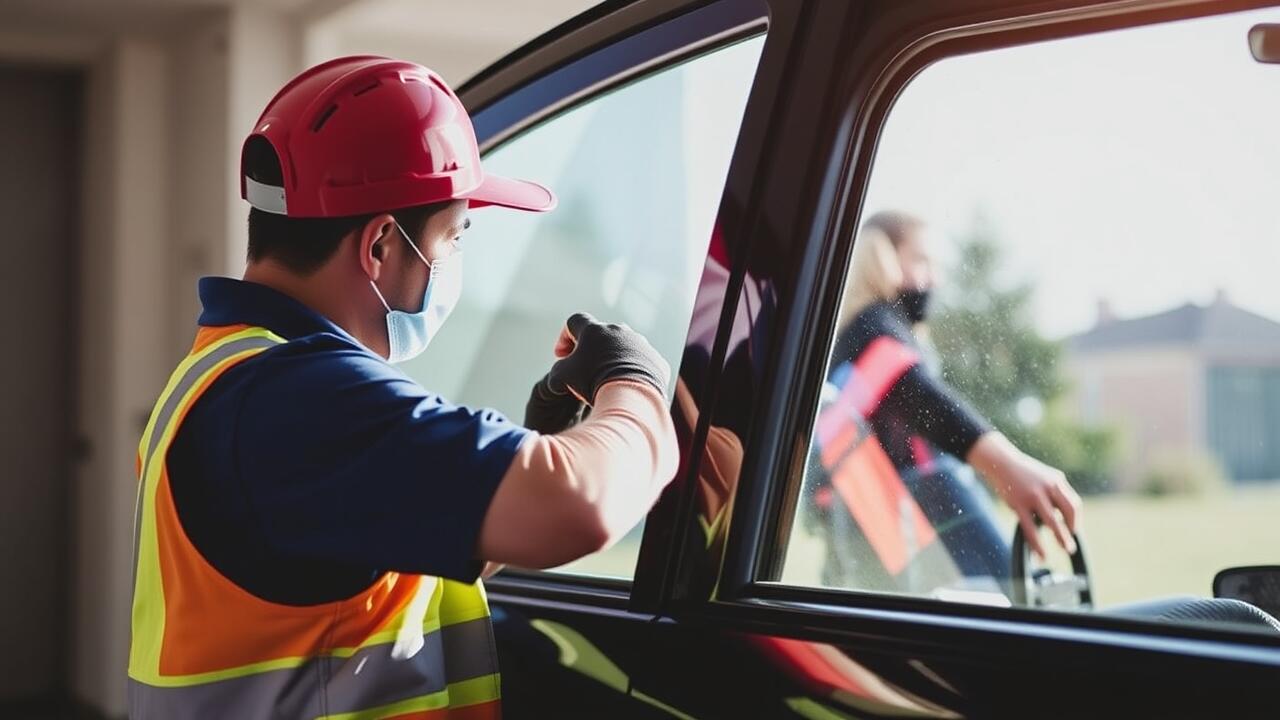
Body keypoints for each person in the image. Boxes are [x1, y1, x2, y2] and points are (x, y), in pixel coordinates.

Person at [127, 56, 678, 719]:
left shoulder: (230, 375)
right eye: (453, 235)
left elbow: (386, 557)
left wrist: (545, 437)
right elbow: (577, 507)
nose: (453, 264)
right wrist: (636, 381)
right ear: (382, 244)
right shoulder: (297, 398)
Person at [815, 210, 1081, 593]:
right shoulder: (875, 328)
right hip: (893, 528)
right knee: (942, 480)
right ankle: (1022, 591)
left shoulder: (855, 336)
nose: (933, 278)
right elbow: (922, 397)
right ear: (881, 259)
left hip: (871, 541)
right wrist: (1007, 467)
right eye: (921, 261)